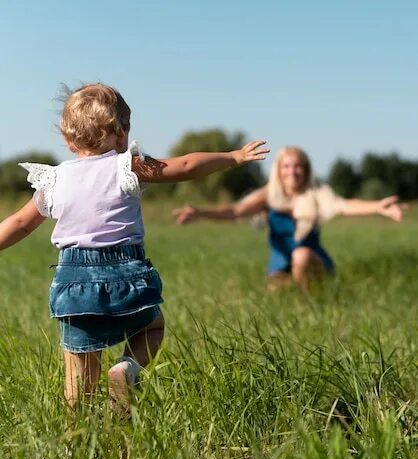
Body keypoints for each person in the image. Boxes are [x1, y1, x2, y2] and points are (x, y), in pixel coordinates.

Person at [0, 83, 269, 410]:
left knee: (79, 373)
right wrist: (232, 156)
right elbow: (184, 166)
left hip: (74, 283)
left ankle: (76, 438)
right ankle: (127, 368)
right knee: (152, 327)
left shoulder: (54, 181)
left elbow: (19, 223)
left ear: (68, 140)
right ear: (123, 133)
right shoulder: (127, 167)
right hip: (125, 274)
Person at [173, 146, 407, 292]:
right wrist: (201, 213)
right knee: (278, 297)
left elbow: (344, 206)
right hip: (279, 265)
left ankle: (312, 300)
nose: (292, 171)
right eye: (287, 166)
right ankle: (304, 293)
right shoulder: (269, 196)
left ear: (305, 170)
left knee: (301, 254)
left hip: (312, 260)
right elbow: (235, 211)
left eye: (297, 166)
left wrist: (378, 206)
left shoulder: (316, 193)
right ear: (279, 170)